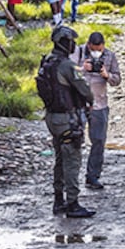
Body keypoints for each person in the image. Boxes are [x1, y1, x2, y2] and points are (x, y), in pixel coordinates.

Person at [38, 25, 96, 218]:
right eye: (71, 41)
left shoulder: (47, 62)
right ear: (65, 42)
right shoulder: (67, 66)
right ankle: (72, 203)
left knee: (60, 159)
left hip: (52, 118)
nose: (74, 45)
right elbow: (85, 90)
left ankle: (58, 200)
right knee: (72, 160)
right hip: (67, 119)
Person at [73, 31, 121, 190]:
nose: (96, 52)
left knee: (98, 141)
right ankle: (71, 178)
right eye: (94, 49)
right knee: (74, 141)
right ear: (88, 45)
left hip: (99, 104)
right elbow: (66, 69)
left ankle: (93, 176)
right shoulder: (78, 51)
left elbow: (117, 80)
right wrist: (82, 68)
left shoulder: (110, 56)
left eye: (99, 49)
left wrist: (107, 75)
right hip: (78, 103)